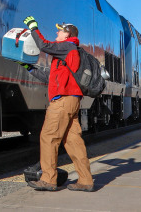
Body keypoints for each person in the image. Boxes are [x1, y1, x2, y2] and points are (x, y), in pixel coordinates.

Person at [22, 16, 94, 192]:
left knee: (49, 137)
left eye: (60, 30)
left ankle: (48, 179)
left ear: (68, 34)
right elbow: (50, 77)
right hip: (72, 100)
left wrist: (33, 27)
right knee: (73, 141)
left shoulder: (68, 46)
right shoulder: (67, 52)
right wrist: (29, 68)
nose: (57, 32)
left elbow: (44, 45)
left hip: (62, 101)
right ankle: (85, 180)